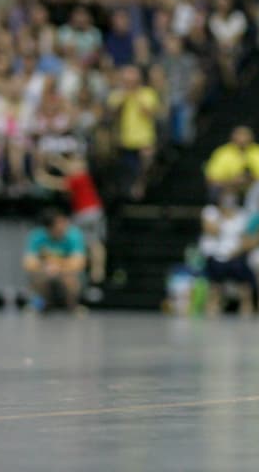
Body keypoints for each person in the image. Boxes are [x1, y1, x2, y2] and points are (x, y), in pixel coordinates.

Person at [34, 151, 106, 284]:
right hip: (91, 211)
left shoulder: (80, 176)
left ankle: (93, 270)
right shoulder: (80, 175)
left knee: (81, 239)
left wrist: (44, 178)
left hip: (86, 213)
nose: (71, 166)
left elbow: (62, 184)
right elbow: (69, 169)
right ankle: (94, 270)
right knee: (92, 242)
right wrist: (57, 161)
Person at [107, 65, 161, 200]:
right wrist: (124, 97)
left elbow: (149, 113)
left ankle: (140, 185)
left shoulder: (148, 93)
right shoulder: (117, 95)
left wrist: (136, 96)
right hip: (123, 138)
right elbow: (112, 114)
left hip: (144, 138)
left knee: (147, 160)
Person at [22, 208, 87, 313]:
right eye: (58, 225)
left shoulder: (74, 235)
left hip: (66, 272)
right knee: (37, 278)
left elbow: (79, 262)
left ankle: (73, 306)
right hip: (45, 271)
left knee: (71, 280)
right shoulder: (37, 235)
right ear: (48, 228)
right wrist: (45, 266)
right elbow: (28, 263)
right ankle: (40, 305)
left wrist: (57, 264)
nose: (63, 227)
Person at [199, 190, 252, 316]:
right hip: (215, 255)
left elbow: (246, 238)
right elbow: (212, 231)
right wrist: (223, 216)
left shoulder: (241, 215)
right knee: (215, 270)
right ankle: (213, 303)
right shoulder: (211, 212)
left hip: (235, 254)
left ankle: (246, 304)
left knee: (241, 269)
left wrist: (237, 251)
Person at [205, 126, 259, 197]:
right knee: (216, 188)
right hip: (229, 188)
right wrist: (233, 182)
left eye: (245, 135)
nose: (242, 139)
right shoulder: (222, 152)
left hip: (254, 189)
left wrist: (248, 179)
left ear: (252, 137)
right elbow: (211, 178)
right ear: (232, 137)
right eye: (239, 135)